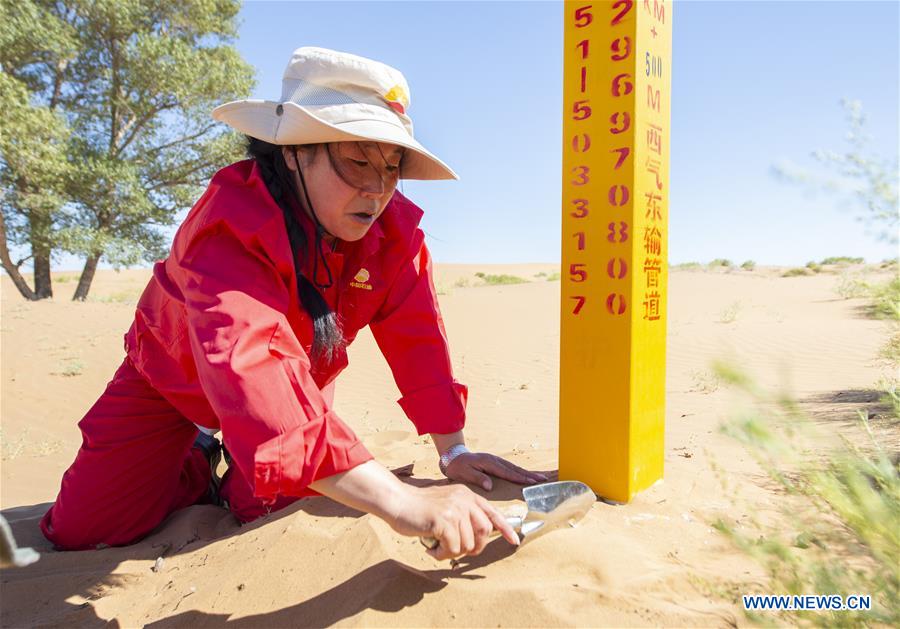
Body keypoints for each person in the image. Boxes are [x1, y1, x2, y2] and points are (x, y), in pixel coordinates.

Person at [40, 47, 547, 561]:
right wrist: (402, 504)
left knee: (268, 505)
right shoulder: (225, 228)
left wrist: (453, 450)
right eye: (356, 161)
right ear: (293, 152)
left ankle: (244, 465)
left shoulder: (396, 233)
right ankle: (198, 454)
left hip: (296, 380)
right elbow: (249, 358)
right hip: (172, 382)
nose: (376, 190)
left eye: (391, 167)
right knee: (82, 529)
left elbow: (419, 341)